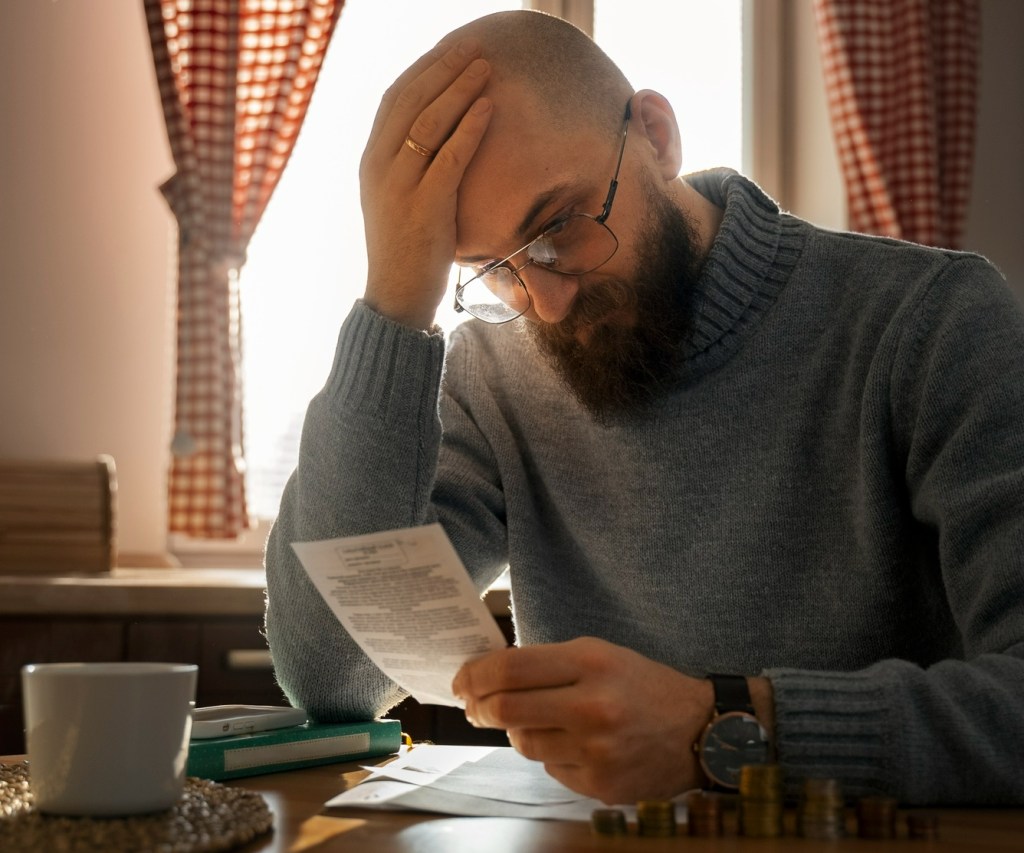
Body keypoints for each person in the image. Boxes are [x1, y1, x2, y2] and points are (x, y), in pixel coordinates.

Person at [264, 9, 1024, 805]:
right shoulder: (494, 366)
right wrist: (394, 306)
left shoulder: (929, 322)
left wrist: (721, 728)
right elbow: (330, 677)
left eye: (559, 226)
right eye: (493, 269)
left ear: (658, 136)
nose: (546, 304)